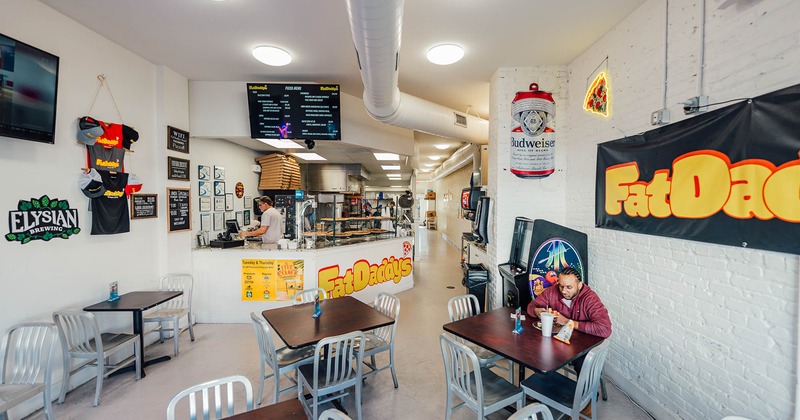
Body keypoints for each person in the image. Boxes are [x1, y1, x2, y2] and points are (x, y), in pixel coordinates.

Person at [527, 266, 611, 373]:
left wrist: (567, 322)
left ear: (579, 285)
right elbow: (532, 306)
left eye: (569, 287)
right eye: (561, 286)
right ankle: (547, 386)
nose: (563, 291)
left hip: (584, 344)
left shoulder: (590, 299)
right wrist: (536, 311)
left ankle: (586, 390)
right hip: (560, 340)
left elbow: (605, 329)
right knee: (538, 352)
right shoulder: (552, 291)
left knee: (584, 364)